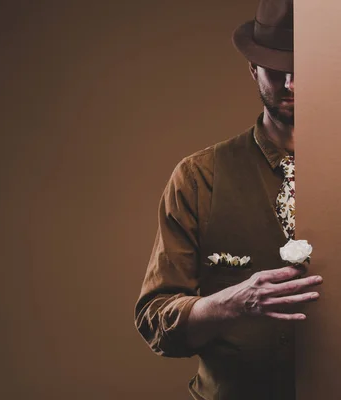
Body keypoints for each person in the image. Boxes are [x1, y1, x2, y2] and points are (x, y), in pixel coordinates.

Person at [133, 1, 322, 399]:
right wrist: (229, 303)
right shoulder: (198, 177)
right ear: (253, 69)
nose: (291, 84)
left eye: (304, 69)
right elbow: (155, 319)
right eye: (276, 69)